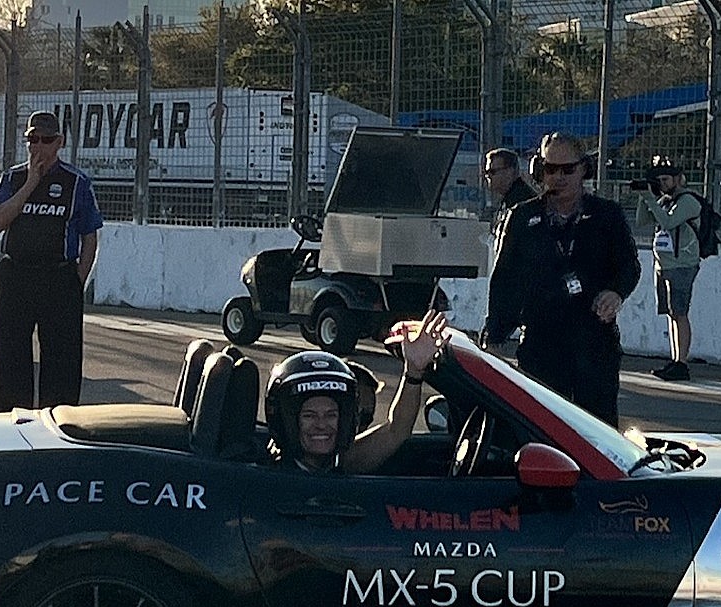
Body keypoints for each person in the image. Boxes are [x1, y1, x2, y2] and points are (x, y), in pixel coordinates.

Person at [485, 131, 640, 428]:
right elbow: (505, 280)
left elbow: (629, 266)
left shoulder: (607, 215)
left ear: (584, 169)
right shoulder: (522, 216)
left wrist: (615, 293)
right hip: (541, 343)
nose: (559, 177)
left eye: (567, 169)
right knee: (542, 430)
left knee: (598, 432)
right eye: (551, 169)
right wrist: (495, 335)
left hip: (593, 342)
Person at [0, 111, 103, 412]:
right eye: (32, 139)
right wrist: (29, 185)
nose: (38, 146)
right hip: (17, 276)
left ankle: (59, 425)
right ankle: (13, 425)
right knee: (11, 360)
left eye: (46, 140)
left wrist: (77, 280)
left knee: (61, 364)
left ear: (59, 143)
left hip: (59, 278)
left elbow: (90, 236)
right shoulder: (12, 179)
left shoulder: (76, 182)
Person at [265, 309, 449, 474]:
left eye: (331, 415)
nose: (321, 425)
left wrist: (414, 372)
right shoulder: (268, 474)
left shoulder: (346, 462)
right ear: (288, 419)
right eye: (309, 416)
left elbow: (397, 429)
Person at [633, 160, 702, 381]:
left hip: (682, 264)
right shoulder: (663, 200)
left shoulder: (688, 201)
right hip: (664, 264)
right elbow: (641, 221)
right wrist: (645, 197)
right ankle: (675, 360)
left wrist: (652, 199)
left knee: (680, 313)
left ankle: (682, 362)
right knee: (671, 314)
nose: (662, 184)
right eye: (659, 180)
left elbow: (668, 222)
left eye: (665, 180)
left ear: (677, 179)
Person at [484, 147, 535, 234]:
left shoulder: (521, 202)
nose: (488, 176)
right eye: (487, 172)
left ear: (509, 172)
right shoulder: (510, 198)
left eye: (492, 171)